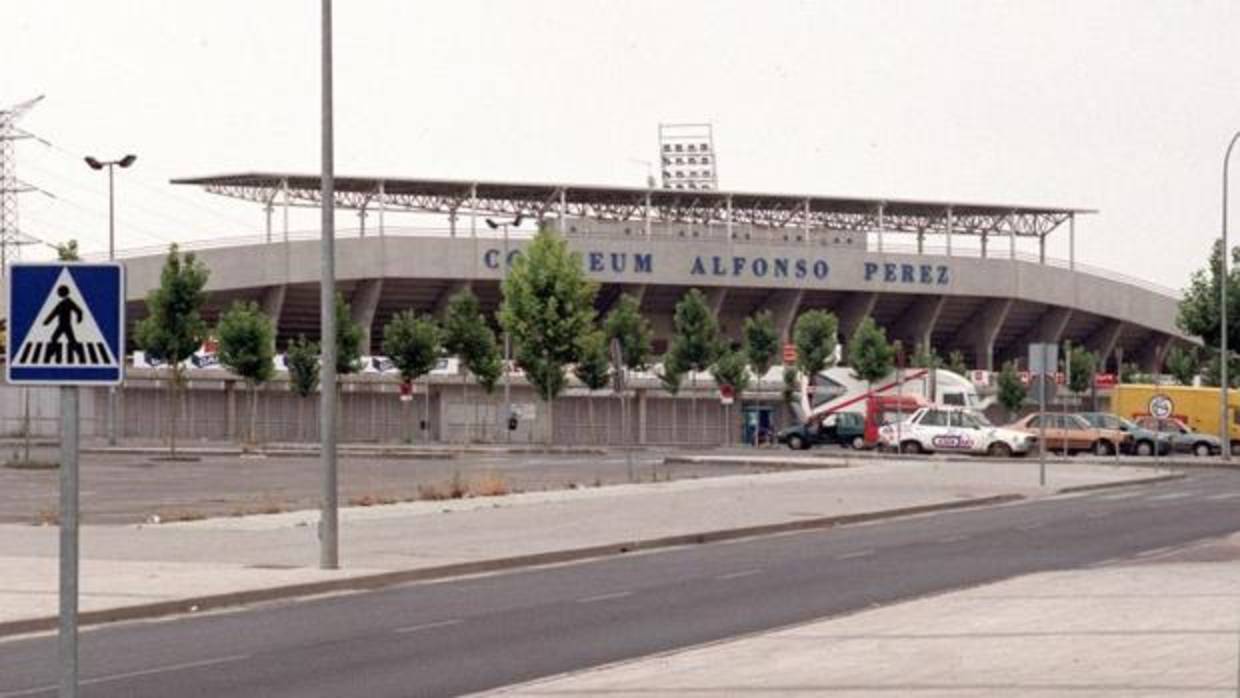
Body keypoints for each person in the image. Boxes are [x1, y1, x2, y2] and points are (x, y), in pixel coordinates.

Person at [43, 285, 85, 364]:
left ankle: (80, 354)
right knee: (67, 339)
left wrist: (79, 318)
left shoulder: (68, 302)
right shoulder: (64, 302)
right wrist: (47, 321)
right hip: (63, 324)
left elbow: (79, 310)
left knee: (55, 338)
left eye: (59, 292)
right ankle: (79, 353)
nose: (58, 293)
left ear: (63, 292)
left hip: (64, 325)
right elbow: (54, 313)